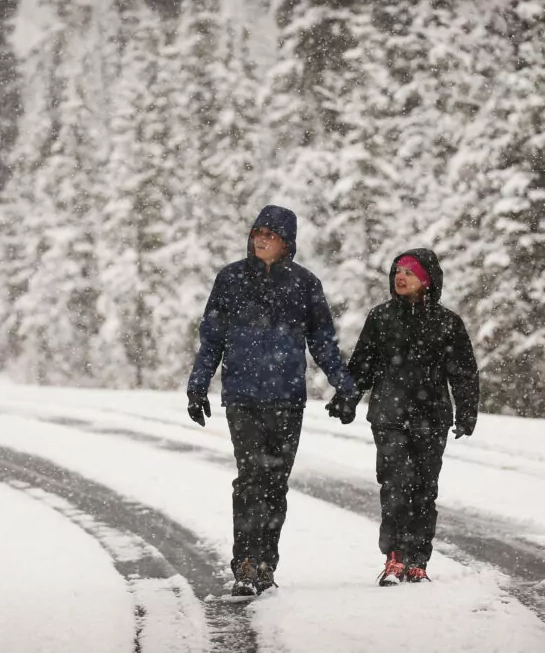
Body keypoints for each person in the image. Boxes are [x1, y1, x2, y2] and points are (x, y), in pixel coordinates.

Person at [187, 204, 358, 597]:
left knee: (275, 483)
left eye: (271, 233)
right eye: (257, 231)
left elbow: (323, 342)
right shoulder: (230, 279)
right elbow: (212, 338)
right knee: (250, 481)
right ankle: (245, 565)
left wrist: (345, 386)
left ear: (287, 243)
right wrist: (198, 386)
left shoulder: (304, 284)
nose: (261, 238)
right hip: (243, 398)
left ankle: (266, 564)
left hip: (286, 399)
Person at [328, 249, 479, 585]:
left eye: (409, 272)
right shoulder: (381, 318)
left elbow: (464, 372)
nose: (400, 276)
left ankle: (418, 561)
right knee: (395, 484)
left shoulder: (448, 323)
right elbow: (362, 366)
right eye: (397, 270)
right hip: (389, 415)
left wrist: (467, 412)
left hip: (432, 417)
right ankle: (395, 558)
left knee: (425, 489)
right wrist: (346, 399)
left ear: (426, 279)